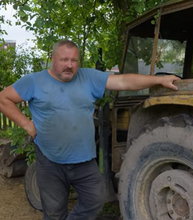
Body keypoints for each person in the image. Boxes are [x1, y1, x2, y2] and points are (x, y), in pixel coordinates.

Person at [0, 40, 180, 220]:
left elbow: (124, 81)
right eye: (64, 60)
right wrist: (27, 124)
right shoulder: (33, 81)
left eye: (74, 60)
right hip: (50, 160)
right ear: (52, 58)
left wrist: (159, 79)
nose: (69, 65)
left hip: (83, 160)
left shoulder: (88, 77)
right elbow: (4, 99)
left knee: (96, 200)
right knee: (54, 212)